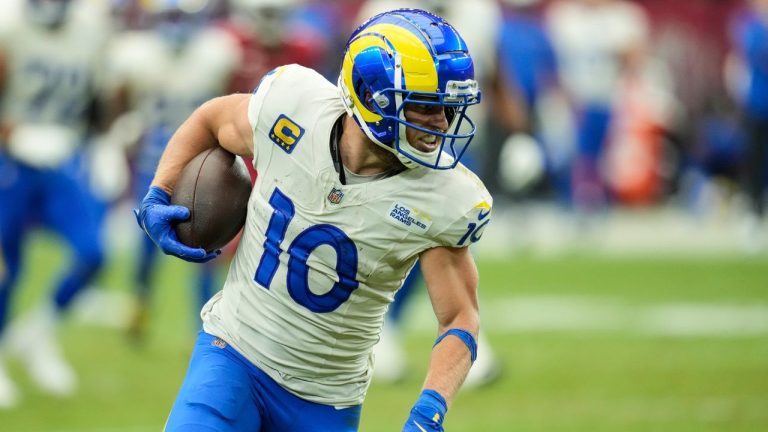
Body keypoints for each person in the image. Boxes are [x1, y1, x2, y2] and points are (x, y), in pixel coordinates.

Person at [135, 8, 491, 432]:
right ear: (372, 97)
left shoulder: (444, 195)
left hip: (326, 400)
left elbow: (459, 316)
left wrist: (431, 406)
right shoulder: (294, 107)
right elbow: (212, 119)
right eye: (425, 108)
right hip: (233, 353)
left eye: (448, 110)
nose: (442, 125)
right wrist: (159, 191)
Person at [104, 0, 242, 341]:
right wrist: (125, 131)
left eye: (184, 17)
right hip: (153, 164)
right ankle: (140, 303)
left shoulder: (216, 52)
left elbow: (224, 104)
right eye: (170, 17)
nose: (177, 26)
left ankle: (205, 321)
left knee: (208, 240)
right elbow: (119, 101)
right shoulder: (136, 55)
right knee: (148, 243)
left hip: (202, 167)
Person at [0, 0, 114, 408]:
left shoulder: (92, 32)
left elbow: (96, 105)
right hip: (10, 159)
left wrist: (103, 145)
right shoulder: (9, 26)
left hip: (62, 159)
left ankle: (37, 333)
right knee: (6, 265)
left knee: (93, 252)